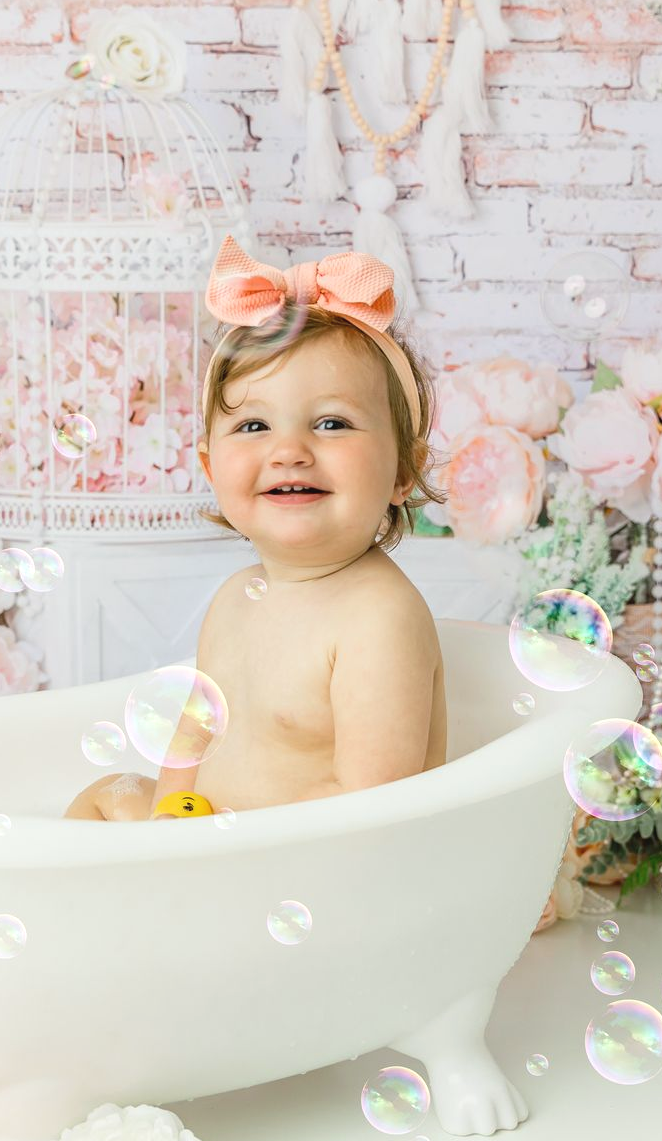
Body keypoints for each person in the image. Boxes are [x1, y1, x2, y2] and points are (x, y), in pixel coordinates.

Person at [64, 235, 449, 821]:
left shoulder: (379, 616)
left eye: (331, 422)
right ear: (211, 467)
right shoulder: (234, 599)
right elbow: (191, 747)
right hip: (213, 844)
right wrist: (170, 820)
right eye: (253, 426)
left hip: (305, 868)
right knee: (110, 793)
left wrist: (228, 840)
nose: (289, 450)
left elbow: (374, 808)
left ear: (404, 471)